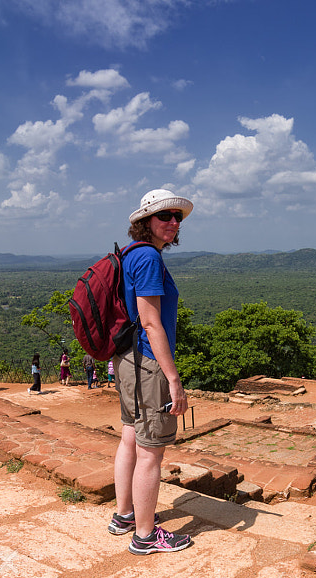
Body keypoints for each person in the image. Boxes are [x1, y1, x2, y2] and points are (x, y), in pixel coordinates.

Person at [109, 188, 193, 556]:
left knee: (131, 434)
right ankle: (145, 536)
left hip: (126, 359)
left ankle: (124, 515)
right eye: (165, 216)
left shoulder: (130, 255)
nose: (173, 222)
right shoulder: (148, 259)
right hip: (146, 362)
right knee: (151, 451)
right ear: (145, 222)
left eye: (177, 217)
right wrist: (173, 379)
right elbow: (151, 322)